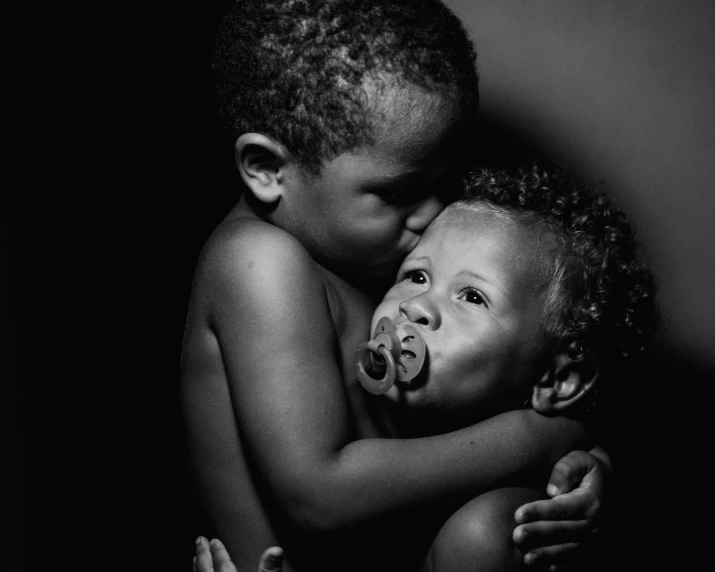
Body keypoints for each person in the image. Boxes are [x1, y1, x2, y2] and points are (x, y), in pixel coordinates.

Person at [181, 2, 612, 570]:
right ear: (266, 168)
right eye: (400, 192)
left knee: (494, 530)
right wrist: (538, 439)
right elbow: (319, 497)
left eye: (444, 181)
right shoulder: (258, 263)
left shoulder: (367, 252)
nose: (435, 213)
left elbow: (504, 376)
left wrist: (588, 469)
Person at [189, 166, 657, 572]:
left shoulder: (505, 521)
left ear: (559, 380)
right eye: (416, 276)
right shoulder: (336, 365)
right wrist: (543, 435)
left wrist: (591, 463)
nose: (415, 307)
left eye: (471, 297)